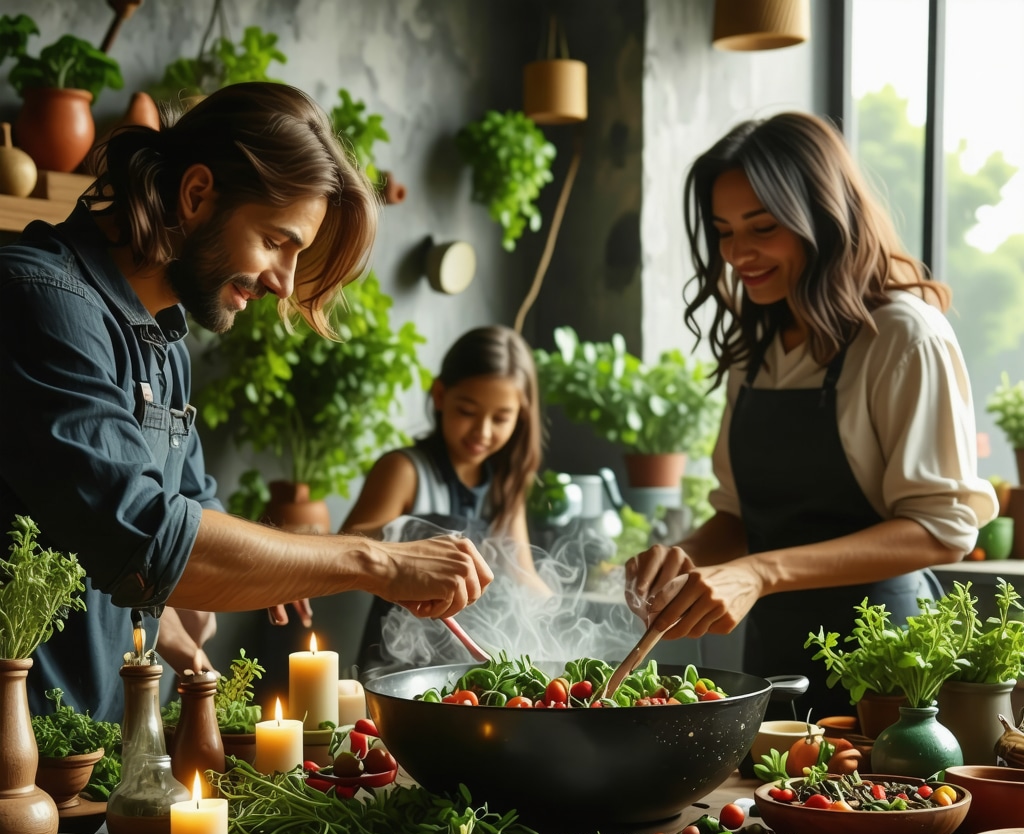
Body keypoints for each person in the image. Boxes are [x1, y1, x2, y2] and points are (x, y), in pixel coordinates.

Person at [0, 82, 491, 721]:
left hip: (97, 763)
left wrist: (240, 585)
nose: (282, 281)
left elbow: (192, 517)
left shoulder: (165, 341)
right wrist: (374, 562)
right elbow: (153, 538)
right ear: (197, 194)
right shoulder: (36, 299)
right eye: (276, 240)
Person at [625, 111, 998, 718]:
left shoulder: (903, 336)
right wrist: (685, 558)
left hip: (886, 664)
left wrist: (760, 573)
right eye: (723, 232)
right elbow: (742, 518)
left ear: (822, 218)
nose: (738, 254)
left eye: (762, 227)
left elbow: (942, 528)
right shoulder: (761, 343)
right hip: (774, 655)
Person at [341, 324, 549, 671]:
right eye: (468, 412)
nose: (482, 431)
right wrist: (415, 540)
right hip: (397, 659)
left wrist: (561, 616)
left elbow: (521, 573)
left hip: (471, 661)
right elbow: (348, 545)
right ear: (440, 396)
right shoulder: (404, 470)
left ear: (521, 416)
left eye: (500, 418)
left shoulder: (506, 485)